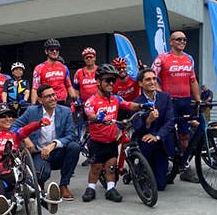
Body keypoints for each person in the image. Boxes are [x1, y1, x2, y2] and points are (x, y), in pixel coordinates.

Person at [0, 103, 59, 215]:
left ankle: (47, 201)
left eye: (11, 116)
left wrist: (38, 124)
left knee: (28, 181)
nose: (8, 119)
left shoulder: (14, 134)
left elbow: (26, 129)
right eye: (3, 116)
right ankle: (5, 208)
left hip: (15, 172)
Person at [82, 64, 152, 202]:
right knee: (96, 168)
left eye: (114, 80)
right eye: (107, 80)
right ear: (98, 82)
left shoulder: (115, 98)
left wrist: (142, 106)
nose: (111, 83)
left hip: (111, 140)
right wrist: (98, 118)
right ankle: (91, 188)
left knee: (111, 166)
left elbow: (127, 104)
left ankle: (110, 189)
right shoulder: (92, 101)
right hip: (97, 141)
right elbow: (89, 114)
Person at [13, 84, 80, 200]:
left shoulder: (65, 111)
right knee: (41, 174)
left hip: (58, 151)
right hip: (39, 153)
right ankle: (40, 183)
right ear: (40, 100)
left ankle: (64, 185)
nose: (53, 98)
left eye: (53, 95)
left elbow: (71, 135)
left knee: (74, 147)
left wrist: (53, 145)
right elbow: (14, 126)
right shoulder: (32, 111)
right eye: (48, 96)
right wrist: (26, 139)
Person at [152, 30, 201, 182]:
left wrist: (198, 99)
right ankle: (164, 163)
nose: (182, 42)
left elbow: (192, 80)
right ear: (171, 42)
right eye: (178, 39)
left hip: (185, 101)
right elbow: (152, 79)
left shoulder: (188, 59)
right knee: (166, 133)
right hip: (169, 102)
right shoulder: (162, 58)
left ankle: (183, 164)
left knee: (185, 134)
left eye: (184, 40)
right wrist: (161, 97)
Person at [132, 68, 175, 191]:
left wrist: (157, 136)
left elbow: (170, 121)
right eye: (148, 79)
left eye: (154, 79)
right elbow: (138, 128)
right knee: (146, 141)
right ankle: (139, 169)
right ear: (140, 83)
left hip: (161, 142)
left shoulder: (165, 98)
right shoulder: (136, 103)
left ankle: (155, 170)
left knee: (160, 186)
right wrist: (148, 121)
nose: (152, 82)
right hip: (146, 144)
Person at [31, 38, 76, 104]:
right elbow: (35, 88)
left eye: (57, 50)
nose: (54, 51)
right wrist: (33, 104)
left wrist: (75, 99)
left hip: (62, 102)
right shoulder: (39, 68)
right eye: (51, 50)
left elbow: (69, 86)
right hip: (47, 102)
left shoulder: (64, 67)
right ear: (46, 51)